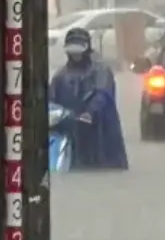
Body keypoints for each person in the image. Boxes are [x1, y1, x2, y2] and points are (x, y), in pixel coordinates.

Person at [48, 27, 128, 170]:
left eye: (78, 51)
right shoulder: (60, 75)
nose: (75, 55)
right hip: (71, 131)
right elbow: (51, 102)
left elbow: (103, 94)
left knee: (102, 168)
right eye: (72, 51)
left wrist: (90, 112)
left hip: (100, 132)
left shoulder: (100, 70)